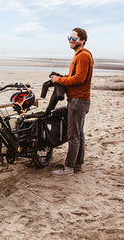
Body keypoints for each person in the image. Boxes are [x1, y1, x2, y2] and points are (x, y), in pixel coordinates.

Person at [51, 27, 93, 175]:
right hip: (79, 100)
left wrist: (60, 79)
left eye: (74, 38)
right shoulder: (80, 55)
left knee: (73, 135)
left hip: (78, 101)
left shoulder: (83, 56)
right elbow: (74, 75)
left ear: (82, 40)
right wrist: (63, 78)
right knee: (79, 133)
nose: (71, 40)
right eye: (69, 37)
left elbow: (79, 78)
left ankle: (69, 167)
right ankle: (78, 165)